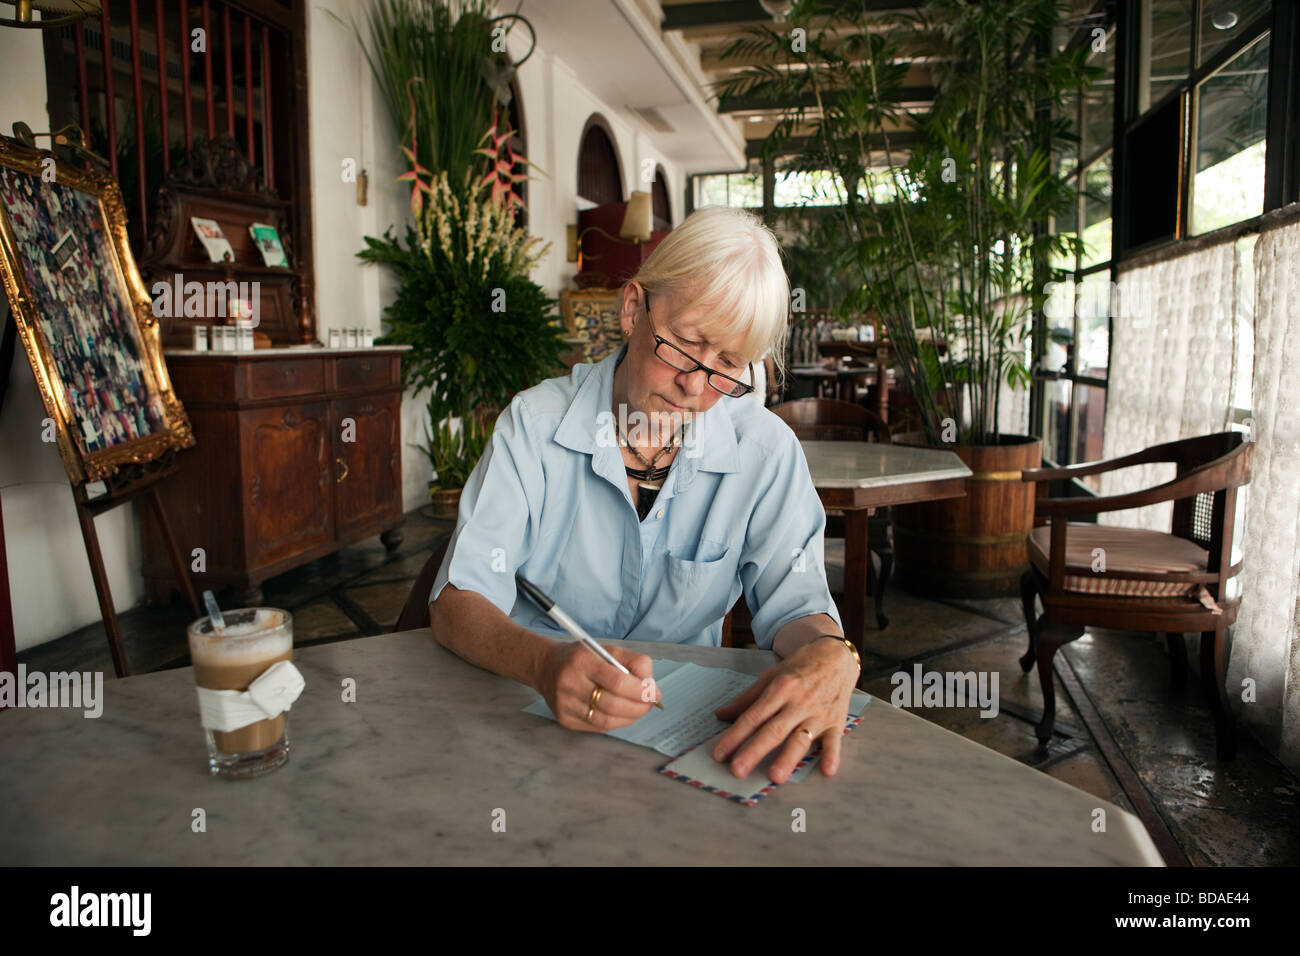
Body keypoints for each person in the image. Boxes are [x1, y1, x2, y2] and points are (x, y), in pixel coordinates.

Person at [429, 205, 860, 784]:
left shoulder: (765, 452)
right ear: (634, 308)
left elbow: (797, 606)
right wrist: (544, 662)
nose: (695, 385)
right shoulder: (534, 426)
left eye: (728, 364)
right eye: (684, 345)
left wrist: (829, 653)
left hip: (683, 738)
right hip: (525, 717)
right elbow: (458, 601)